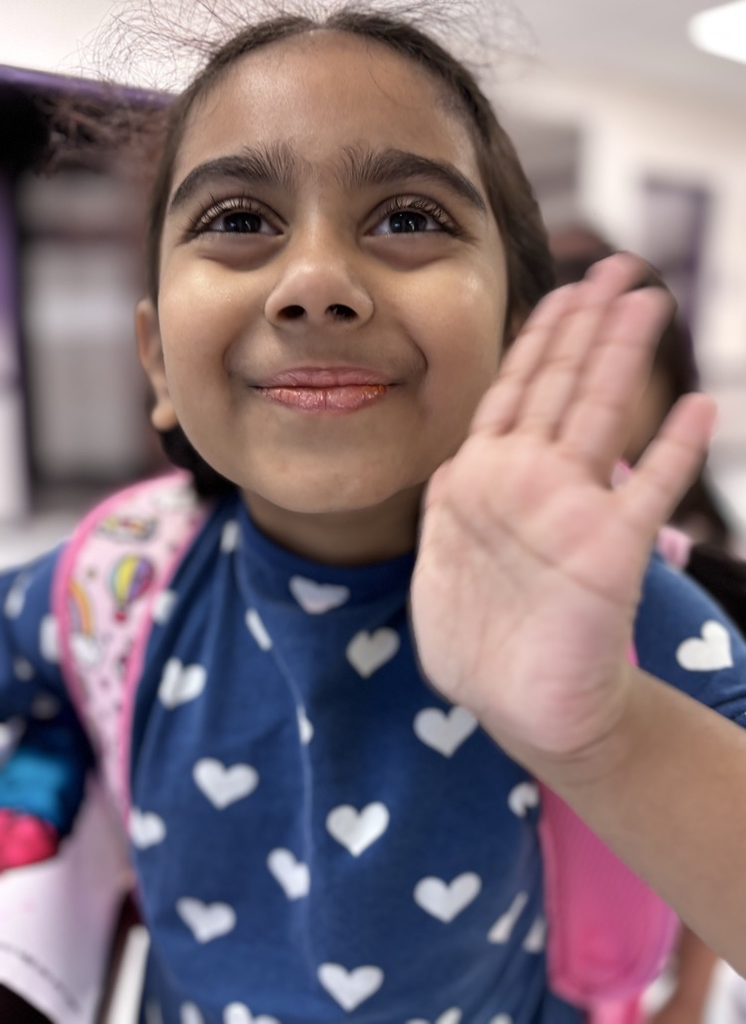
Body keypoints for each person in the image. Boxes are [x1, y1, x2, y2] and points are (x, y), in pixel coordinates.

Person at [1, 8, 746, 1024]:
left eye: (406, 217)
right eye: (236, 220)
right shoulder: (115, 577)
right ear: (158, 359)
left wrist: (605, 731)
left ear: (512, 341)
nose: (313, 284)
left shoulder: (608, 605)